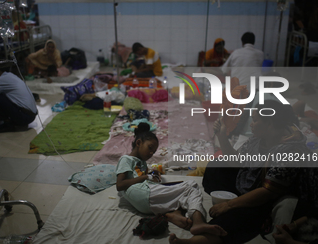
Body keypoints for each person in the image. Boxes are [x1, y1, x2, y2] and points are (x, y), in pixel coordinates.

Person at [173, 100, 316, 244]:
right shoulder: (260, 139)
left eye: (255, 120)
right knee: (217, 165)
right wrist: (222, 136)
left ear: (269, 123)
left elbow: (268, 192)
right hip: (253, 185)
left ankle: (198, 239)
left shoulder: (290, 151)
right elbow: (237, 162)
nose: (251, 124)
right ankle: (232, 205)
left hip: (271, 199)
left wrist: (229, 205)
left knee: (239, 214)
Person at [116, 123, 227, 240]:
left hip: (144, 201)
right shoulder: (126, 159)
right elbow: (120, 185)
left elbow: (139, 177)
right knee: (191, 186)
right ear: (138, 143)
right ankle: (198, 222)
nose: (150, 154)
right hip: (142, 193)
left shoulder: (141, 163)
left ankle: (173, 214)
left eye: (153, 152)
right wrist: (145, 177)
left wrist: (152, 174)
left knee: (183, 195)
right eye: (149, 148)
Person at [0, 68, 37, 133]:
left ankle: (4, 124)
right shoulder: (10, 76)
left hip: (24, 117)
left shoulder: (0, 80)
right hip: (31, 116)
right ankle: (10, 121)